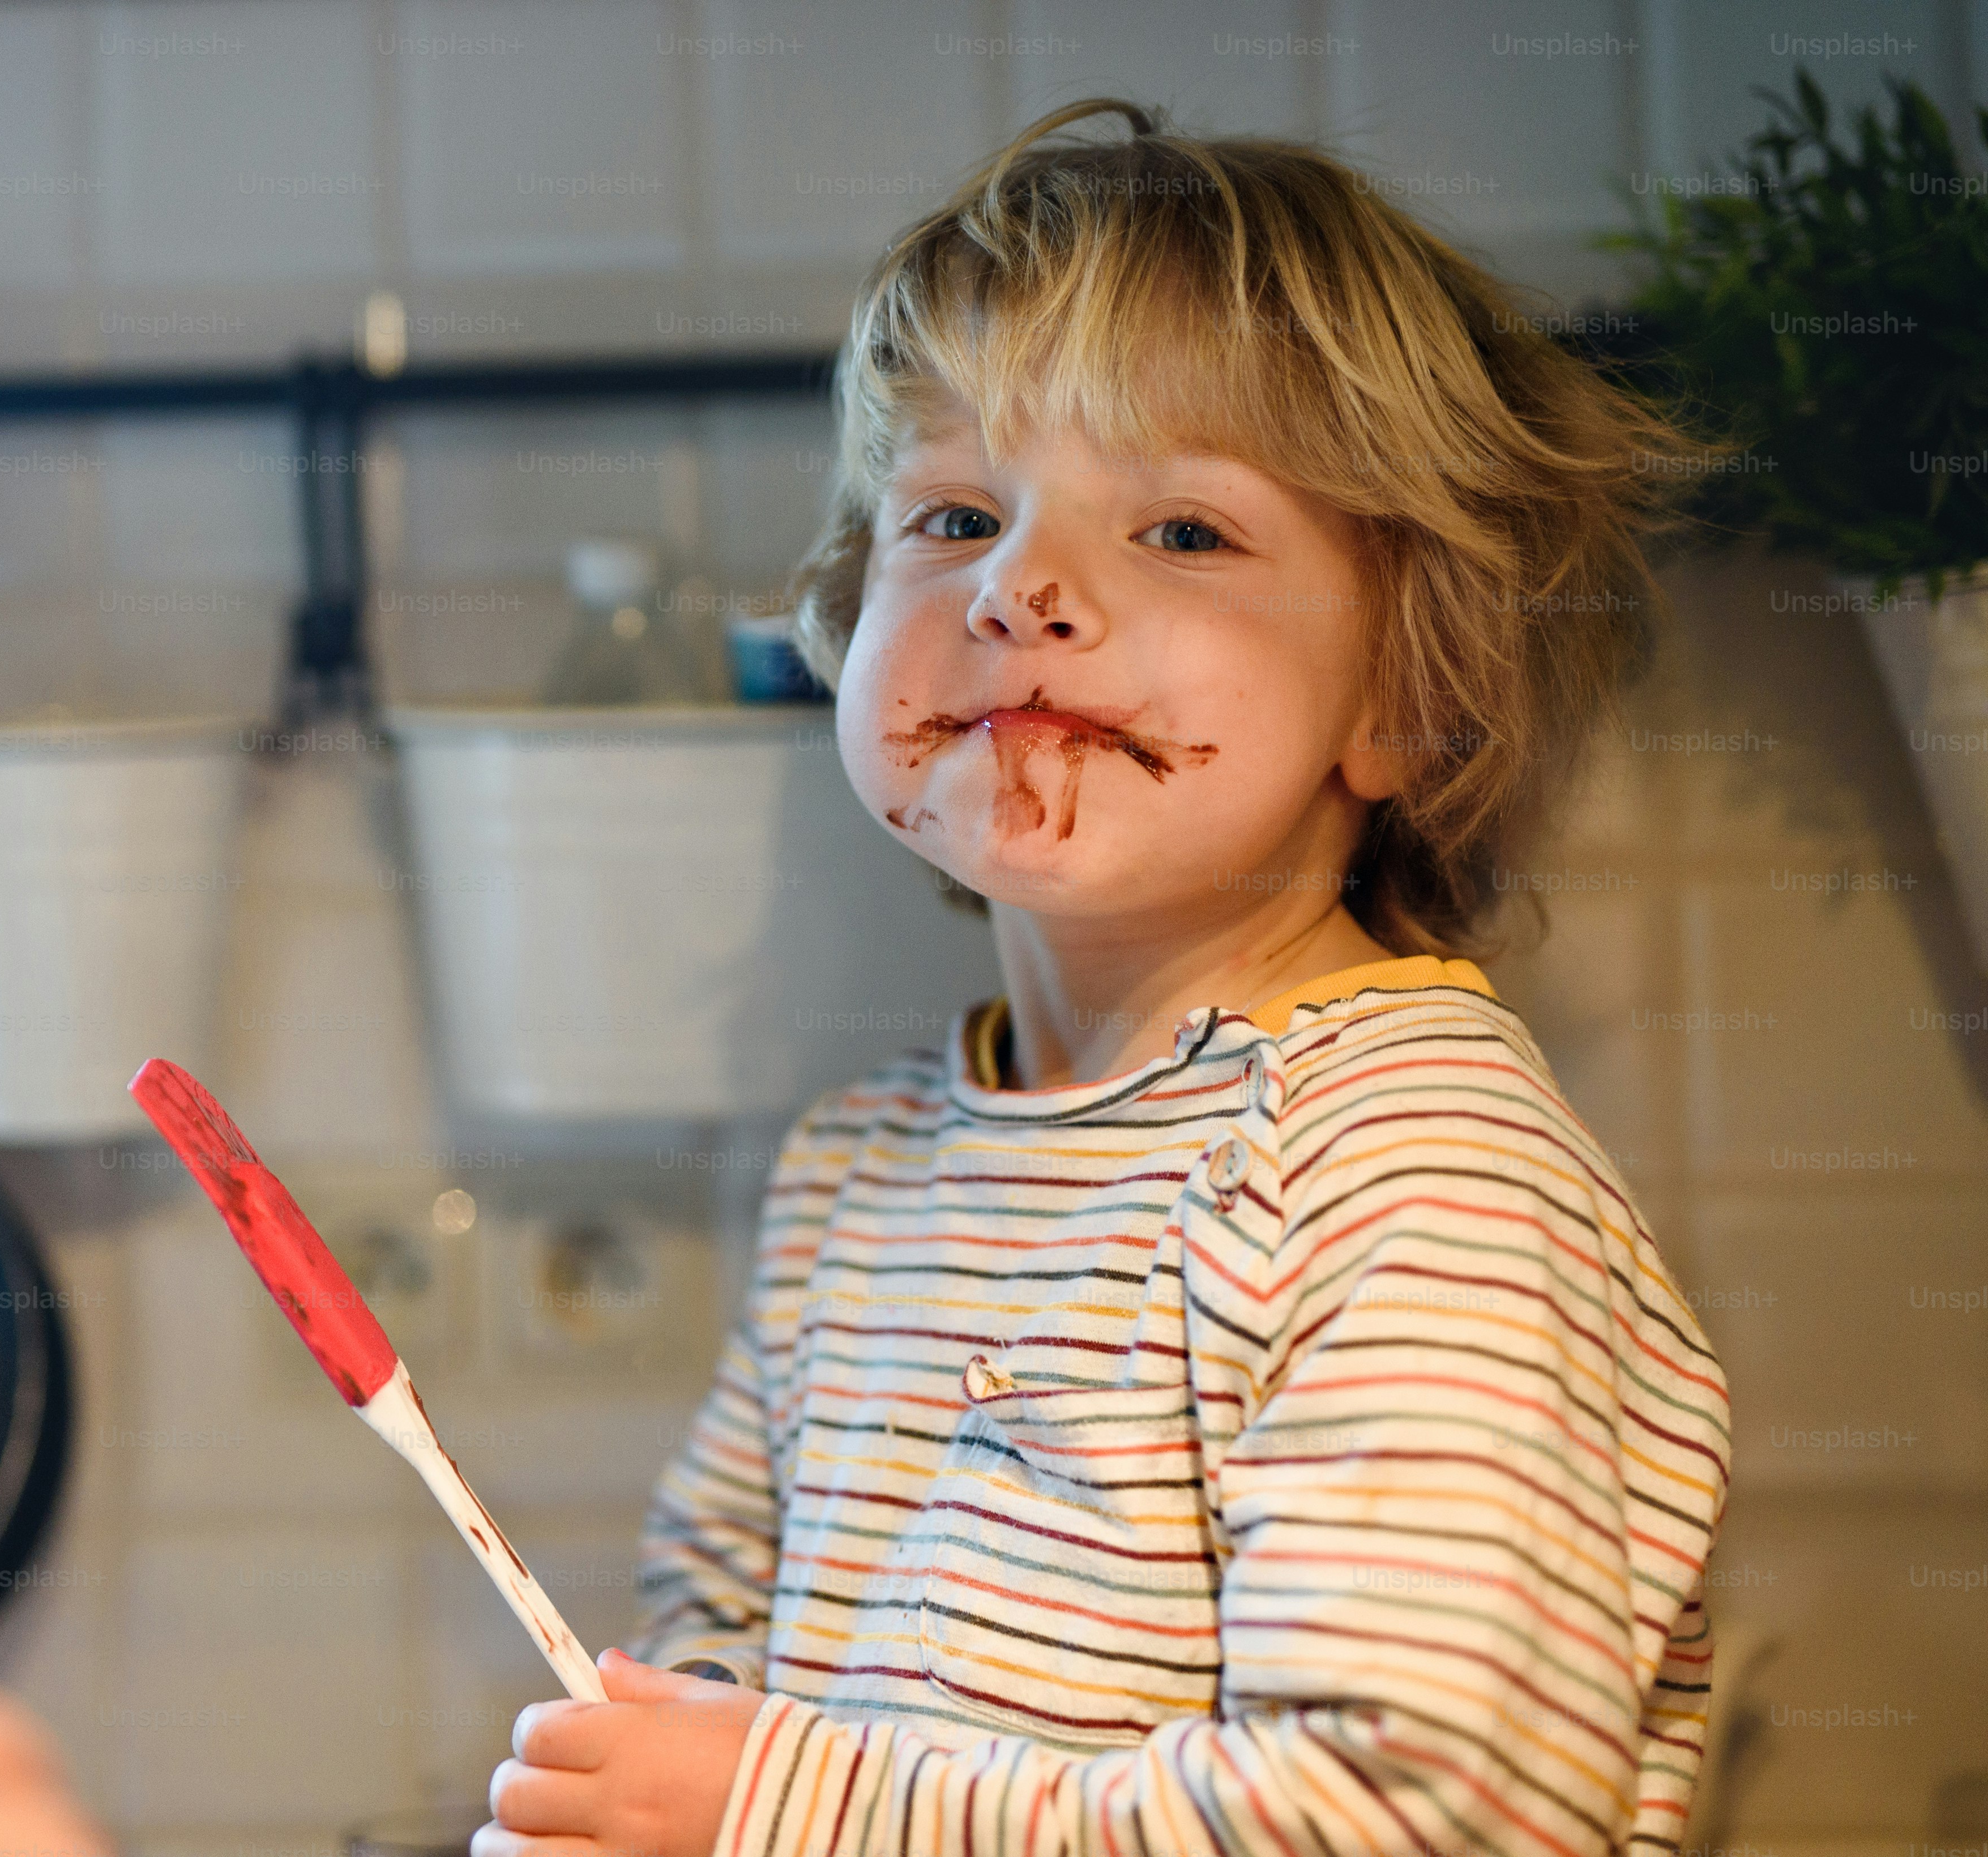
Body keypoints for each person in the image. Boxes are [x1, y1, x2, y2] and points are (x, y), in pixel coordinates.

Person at [477, 99, 1731, 1857]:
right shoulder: (855, 1180)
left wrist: (778, 1806)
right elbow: (716, 1678)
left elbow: (1425, 1817)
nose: (1022, 587)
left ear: (1409, 697)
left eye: (1187, 533)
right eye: (955, 514)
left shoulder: (1407, 1175)